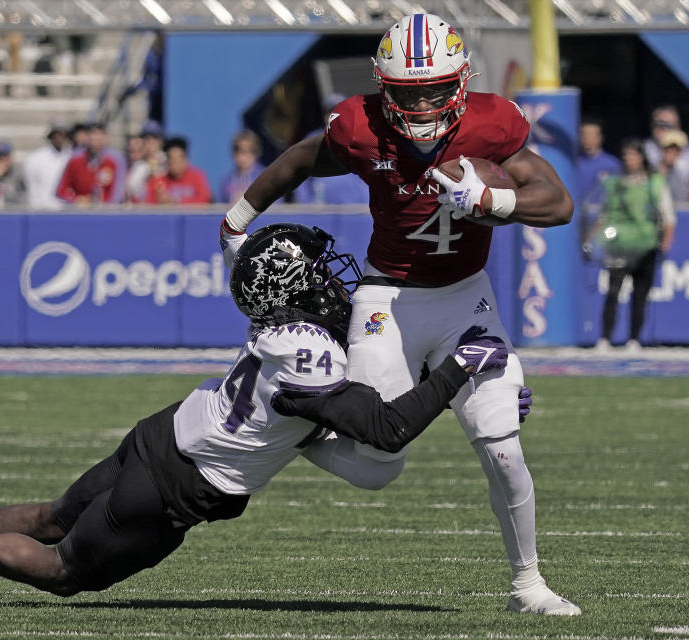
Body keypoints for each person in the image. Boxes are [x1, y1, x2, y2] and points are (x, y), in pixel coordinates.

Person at [0, 223, 509, 602]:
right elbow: (388, 426)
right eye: (321, 274)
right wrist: (463, 364)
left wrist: (431, 363)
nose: (336, 281)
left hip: (164, 433)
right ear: (296, 289)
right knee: (62, 570)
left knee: (50, 517)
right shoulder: (315, 360)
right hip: (181, 483)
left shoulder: (286, 333)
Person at [217, 13, 580, 616]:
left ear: (461, 82)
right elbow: (302, 159)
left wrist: (495, 200)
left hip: (466, 295)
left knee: (502, 445)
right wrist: (237, 216)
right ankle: (294, 424)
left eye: (435, 89)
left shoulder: (493, 122)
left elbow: (560, 202)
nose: (423, 104)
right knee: (377, 465)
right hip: (386, 297)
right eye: (408, 94)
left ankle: (529, 585)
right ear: (385, 91)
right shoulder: (361, 127)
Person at [590, 139, 676, 352]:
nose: (629, 160)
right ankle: (605, 338)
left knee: (640, 294)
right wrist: (592, 237)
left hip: (646, 245)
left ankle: (634, 339)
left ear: (642, 158)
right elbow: (605, 214)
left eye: (633, 155)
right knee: (613, 292)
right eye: (626, 155)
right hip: (620, 245)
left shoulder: (654, 183)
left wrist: (665, 241)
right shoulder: (614, 183)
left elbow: (667, 215)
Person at [293, 94, 371, 206]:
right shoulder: (312, 139)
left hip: (357, 208)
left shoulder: (361, 137)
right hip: (321, 209)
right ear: (324, 115)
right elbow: (300, 172)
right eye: (330, 111)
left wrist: (367, 203)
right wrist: (305, 204)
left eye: (340, 111)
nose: (334, 115)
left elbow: (370, 171)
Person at [576, 117, 621, 236]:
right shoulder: (571, 162)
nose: (587, 139)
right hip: (576, 220)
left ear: (600, 138)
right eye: (584, 135)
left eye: (592, 135)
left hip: (602, 223)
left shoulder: (612, 164)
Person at [56, 123, 120, 205]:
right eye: (94, 136)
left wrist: (105, 204)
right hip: (81, 212)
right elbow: (61, 191)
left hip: (107, 212)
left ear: (106, 139)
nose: (97, 140)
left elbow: (118, 192)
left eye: (100, 137)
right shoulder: (75, 161)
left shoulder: (114, 162)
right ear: (87, 138)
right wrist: (77, 200)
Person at [144, 136, 212, 205]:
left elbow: (204, 199)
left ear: (185, 159)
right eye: (171, 159)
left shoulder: (197, 177)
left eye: (177, 160)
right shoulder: (157, 181)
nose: (173, 163)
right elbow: (148, 204)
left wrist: (176, 204)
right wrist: (160, 203)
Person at [23, 121, 72, 209]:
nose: (59, 138)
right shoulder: (35, 158)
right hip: (42, 210)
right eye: (56, 134)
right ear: (51, 136)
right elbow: (30, 185)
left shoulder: (71, 157)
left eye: (63, 134)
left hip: (65, 210)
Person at [217, 130, 266, 205]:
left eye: (247, 151)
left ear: (256, 152)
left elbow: (279, 208)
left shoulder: (266, 176)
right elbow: (219, 209)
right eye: (237, 150)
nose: (242, 155)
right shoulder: (226, 181)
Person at [125, 120, 165, 203]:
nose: (150, 141)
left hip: (163, 209)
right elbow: (130, 189)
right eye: (146, 138)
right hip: (141, 209)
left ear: (161, 141)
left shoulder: (167, 160)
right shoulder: (138, 165)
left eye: (154, 137)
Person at [655, 129, 689, 205]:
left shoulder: (683, 172)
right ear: (662, 150)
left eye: (677, 149)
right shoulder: (654, 171)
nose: (672, 153)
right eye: (668, 149)